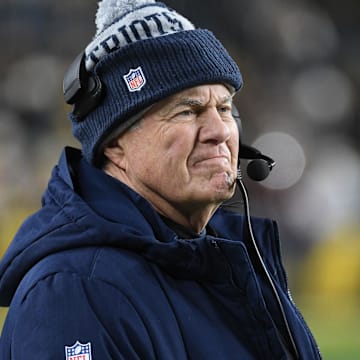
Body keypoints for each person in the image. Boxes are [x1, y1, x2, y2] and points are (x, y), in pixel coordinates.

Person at [0, 0, 321, 359]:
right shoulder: (75, 293)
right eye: (188, 111)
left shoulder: (225, 261)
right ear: (115, 143)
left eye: (225, 108)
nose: (220, 131)